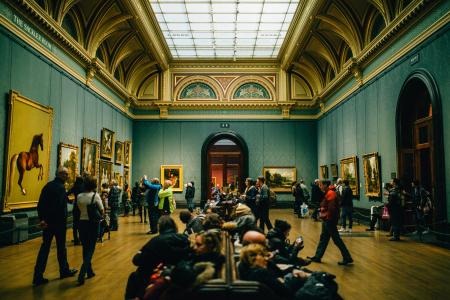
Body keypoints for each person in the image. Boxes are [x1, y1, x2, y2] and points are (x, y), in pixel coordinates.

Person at [125, 216, 190, 299]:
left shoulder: (155, 241)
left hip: (154, 274)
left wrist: (139, 252)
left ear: (160, 227)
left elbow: (136, 260)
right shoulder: (184, 239)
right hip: (178, 274)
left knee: (133, 277)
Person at [33, 166, 78, 286]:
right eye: (66, 174)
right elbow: (60, 207)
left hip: (47, 223)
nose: (68, 176)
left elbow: (40, 205)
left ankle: (37, 275)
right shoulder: (60, 188)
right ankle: (64, 270)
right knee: (61, 248)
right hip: (58, 224)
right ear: (61, 175)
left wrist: (43, 219)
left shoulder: (47, 186)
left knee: (45, 248)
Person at [308, 180, 353, 265]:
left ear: (325, 185)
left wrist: (325, 213)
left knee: (336, 240)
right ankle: (317, 256)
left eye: (321, 185)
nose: (320, 186)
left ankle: (347, 258)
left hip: (329, 220)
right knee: (324, 238)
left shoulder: (331, 193)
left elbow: (332, 208)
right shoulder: (329, 193)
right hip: (327, 219)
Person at [76, 176, 104, 285]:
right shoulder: (95, 196)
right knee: (91, 248)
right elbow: (101, 209)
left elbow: (79, 209)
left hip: (82, 223)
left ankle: (90, 271)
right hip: (93, 224)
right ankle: (82, 272)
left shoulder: (79, 196)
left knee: (85, 247)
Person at [68, 176, 84, 245]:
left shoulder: (75, 187)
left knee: (75, 224)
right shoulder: (84, 187)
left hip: (76, 207)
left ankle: (75, 239)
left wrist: (69, 201)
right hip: (82, 207)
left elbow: (66, 194)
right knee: (81, 223)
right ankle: (81, 238)